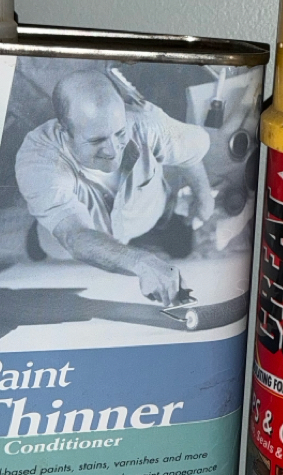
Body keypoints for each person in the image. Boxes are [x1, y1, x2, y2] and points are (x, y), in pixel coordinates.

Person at [15, 68, 215, 306]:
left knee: (180, 243)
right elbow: (73, 235)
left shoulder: (146, 123)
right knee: (46, 245)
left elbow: (190, 152)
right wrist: (140, 262)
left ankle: (163, 223)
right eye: (97, 140)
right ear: (65, 133)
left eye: (120, 133)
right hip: (69, 243)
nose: (113, 151)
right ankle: (42, 227)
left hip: (149, 213)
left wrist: (203, 196)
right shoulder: (38, 160)